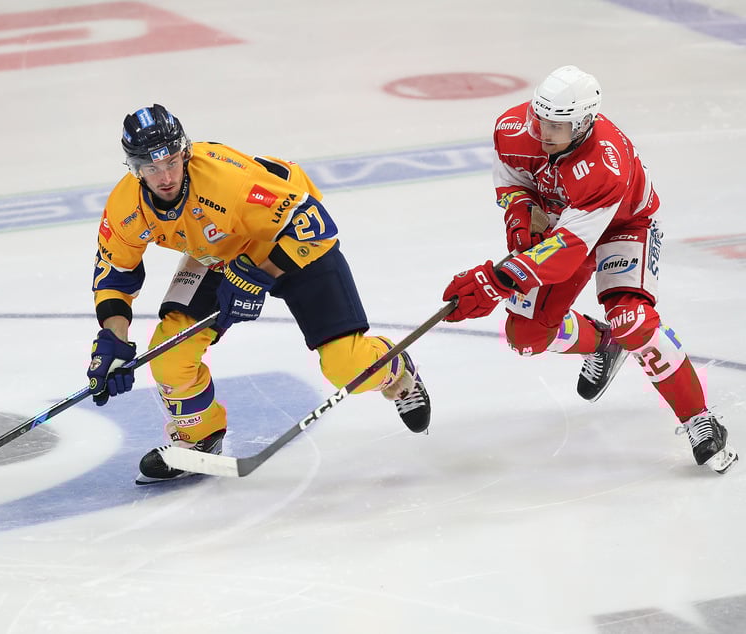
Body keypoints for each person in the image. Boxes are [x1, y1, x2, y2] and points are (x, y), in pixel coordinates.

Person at [87, 104, 431, 484]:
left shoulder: (227, 181)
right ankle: (199, 437)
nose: (165, 176)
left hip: (293, 245)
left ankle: (398, 372)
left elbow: (314, 223)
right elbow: (115, 274)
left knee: (347, 367)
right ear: (134, 169)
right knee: (170, 355)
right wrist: (113, 340)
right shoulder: (125, 207)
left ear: (185, 151)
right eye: (150, 168)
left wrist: (258, 276)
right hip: (221, 252)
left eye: (171, 160)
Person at [441, 65, 737, 474]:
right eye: (540, 118)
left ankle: (698, 418)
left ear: (583, 123)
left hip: (624, 226)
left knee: (631, 320)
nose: (543, 131)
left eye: (557, 125)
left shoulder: (605, 162)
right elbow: (511, 181)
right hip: (567, 221)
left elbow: (568, 251)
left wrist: (499, 279)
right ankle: (602, 343)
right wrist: (521, 216)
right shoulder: (513, 128)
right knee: (525, 336)